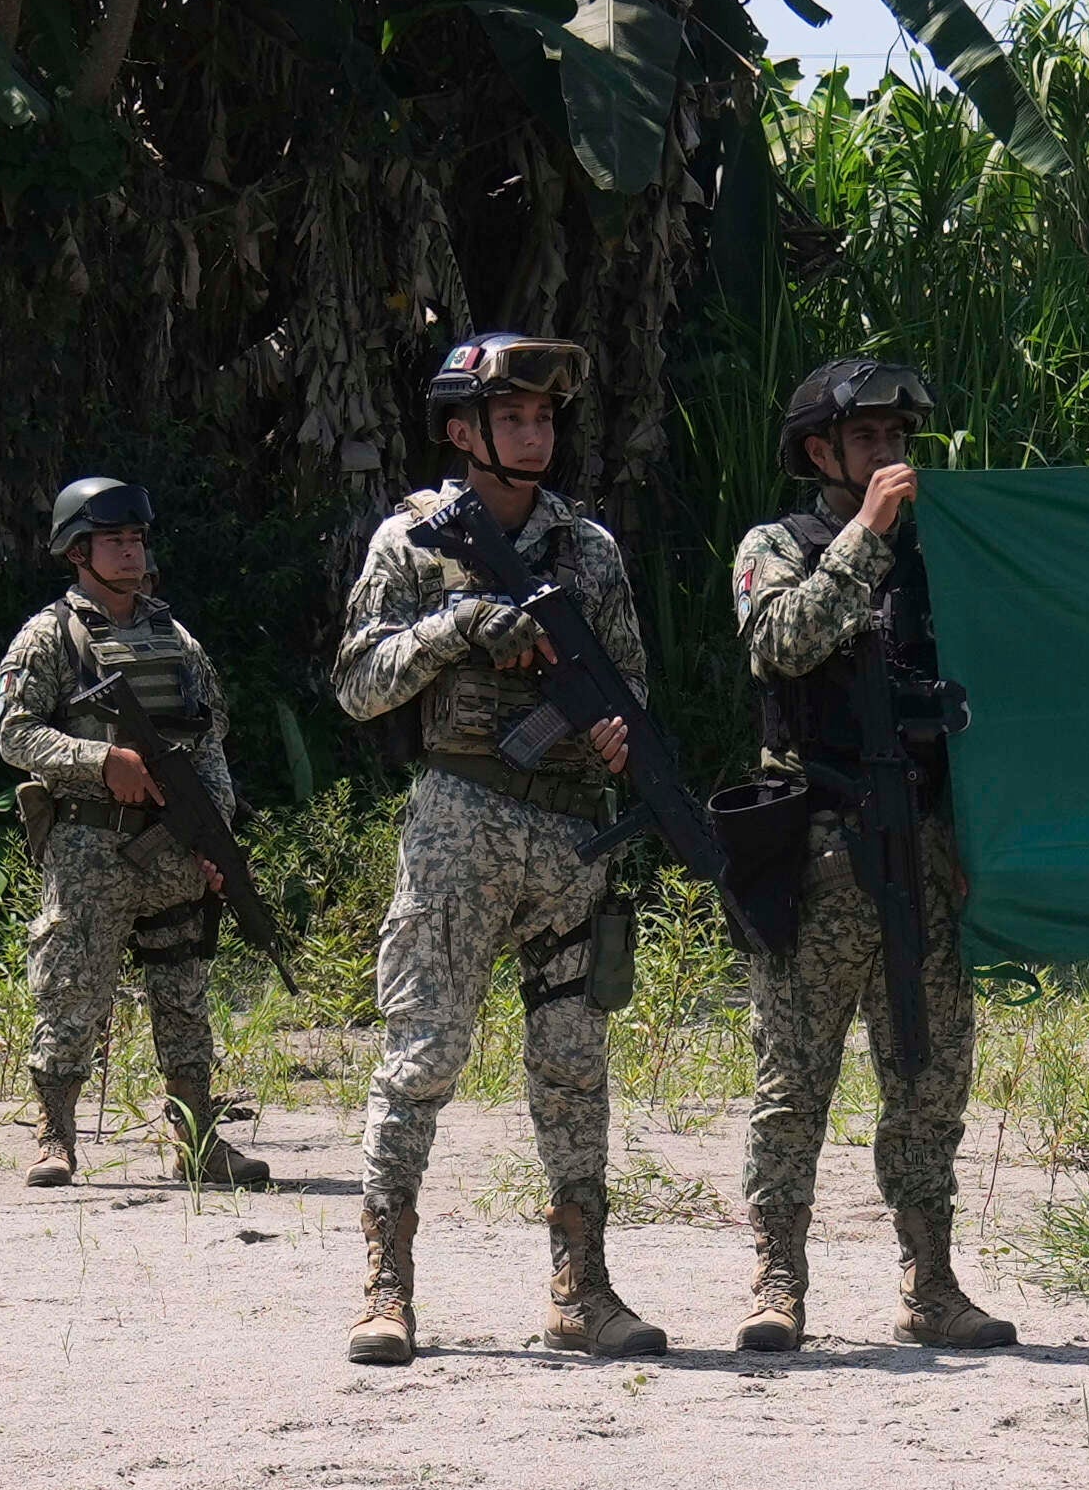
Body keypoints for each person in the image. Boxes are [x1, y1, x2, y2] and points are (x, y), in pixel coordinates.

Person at [325, 330, 674, 1362]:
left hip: (570, 831)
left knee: (574, 1063)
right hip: (461, 823)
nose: (533, 435)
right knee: (423, 1053)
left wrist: (618, 734)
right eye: (512, 417)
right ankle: (385, 1286)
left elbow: (631, 680)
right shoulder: (414, 541)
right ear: (461, 431)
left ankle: (583, 1289)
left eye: (544, 418)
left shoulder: (589, 549)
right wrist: (459, 627)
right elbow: (357, 683)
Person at [725, 350, 1012, 1352]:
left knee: (929, 1078)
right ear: (822, 453)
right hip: (818, 850)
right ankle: (777, 1280)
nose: (889, 452)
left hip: (923, 846)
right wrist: (866, 537)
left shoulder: (941, 553)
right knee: (792, 1084)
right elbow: (780, 643)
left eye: (897, 436)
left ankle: (930, 1281)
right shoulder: (781, 545)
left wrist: (973, 834)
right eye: (866, 438)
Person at [0, 472, 262, 1190]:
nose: (131, 552)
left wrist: (213, 834)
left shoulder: (177, 638)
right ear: (77, 551)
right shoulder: (50, 636)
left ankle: (196, 1139)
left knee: (184, 996)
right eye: (113, 540)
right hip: (90, 847)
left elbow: (210, 738)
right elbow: (14, 733)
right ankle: (55, 1137)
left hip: (173, 847)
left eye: (136, 539)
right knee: (70, 989)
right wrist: (99, 760)